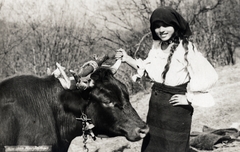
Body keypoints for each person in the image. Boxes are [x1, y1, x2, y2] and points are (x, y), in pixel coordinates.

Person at [115, 6, 218, 152]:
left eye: (165, 25)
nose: (161, 30)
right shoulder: (157, 48)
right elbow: (149, 73)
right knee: (153, 147)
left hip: (176, 109)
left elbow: (210, 76)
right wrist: (127, 59)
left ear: (175, 25)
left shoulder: (186, 48)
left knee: (174, 147)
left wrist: (188, 98)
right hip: (156, 107)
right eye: (157, 26)